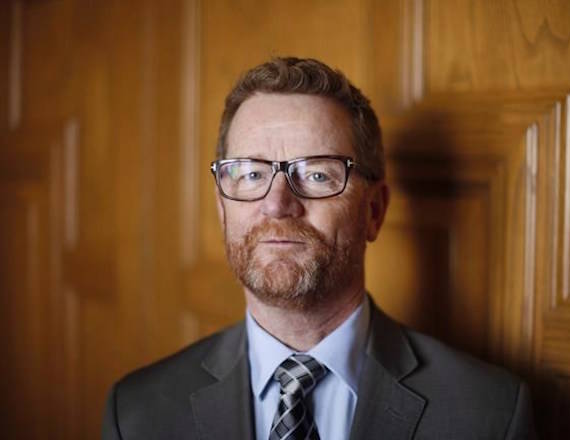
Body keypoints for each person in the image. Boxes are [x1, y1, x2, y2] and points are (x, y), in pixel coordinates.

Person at [102, 57, 536, 440]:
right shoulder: (138, 414)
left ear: (374, 211)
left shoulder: (489, 414)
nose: (277, 204)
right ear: (222, 210)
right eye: (251, 175)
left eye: (317, 175)